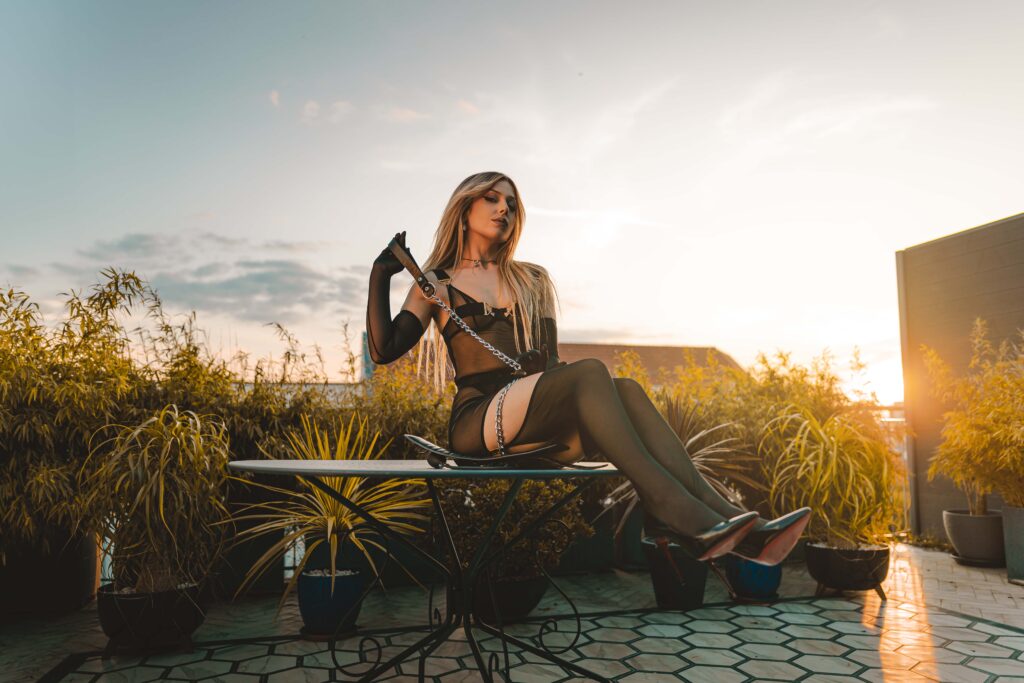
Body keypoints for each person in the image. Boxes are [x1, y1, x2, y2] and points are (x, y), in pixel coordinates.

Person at [365, 171, 809, 565]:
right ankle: (672, 515)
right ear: (465, 209)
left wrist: (556, 382)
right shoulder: (436, 284)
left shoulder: (532, 279)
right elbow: (385, 352)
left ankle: (739, 527)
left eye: (512, 203)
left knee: (629, 388)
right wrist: (380, 277)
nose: (504, 208)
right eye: (492, 199)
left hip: (539, 427)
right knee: (593, 370)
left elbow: (552, 365)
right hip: (479, 422)